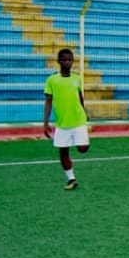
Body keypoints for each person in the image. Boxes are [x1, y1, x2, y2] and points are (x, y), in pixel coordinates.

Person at [43, 48, 89, 190]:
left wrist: (84, 112)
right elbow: (48, 101)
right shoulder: (52, 80)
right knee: (63, 152)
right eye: (64, 59)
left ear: (72, 61)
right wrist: (45, 123)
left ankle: (79, 139)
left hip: (79, 121)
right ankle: (71, 179)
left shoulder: (77, 79)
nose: (67, 62)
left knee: (83, 148)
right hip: (62, 124)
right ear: (59, 61)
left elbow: (80, 97)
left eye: (69, 59)